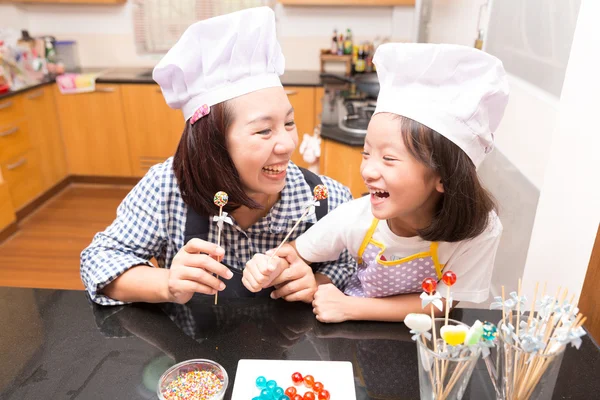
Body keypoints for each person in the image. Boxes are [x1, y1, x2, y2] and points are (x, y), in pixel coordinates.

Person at [80, 7, 355, 306]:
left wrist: (316, 282)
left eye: (289, 123)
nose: (288, 144)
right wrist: (167, 283)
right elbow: (98, 261)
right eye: (264, 130)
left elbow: (355, 269)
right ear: (214, 144)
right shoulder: (166, 189)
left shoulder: (325, 200)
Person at [245, 43, 509, 322]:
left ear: (444, 176)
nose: (367, 171)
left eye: (389, 159)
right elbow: (294, 252)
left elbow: (443, 303)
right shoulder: (356, 217)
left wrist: (350, 307)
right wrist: (269, 266)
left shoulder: (480, 228)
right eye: (366, 153)